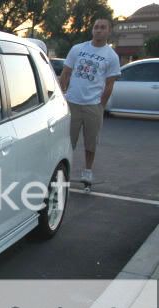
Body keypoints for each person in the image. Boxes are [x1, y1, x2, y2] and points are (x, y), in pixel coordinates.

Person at [60, 18, 121, 187]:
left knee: (90, 142)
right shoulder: (78, 49)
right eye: (96, 27)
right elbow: (65, 74)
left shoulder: (111, 56)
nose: (99, 30)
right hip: (72, 103)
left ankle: (87, 171)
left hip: (93, 106)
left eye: (103, 28)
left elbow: (109, 85)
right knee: (67, 141)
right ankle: (65, 172)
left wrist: (100, 105)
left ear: (109, 31)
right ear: (92, 30)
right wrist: (61, 96)